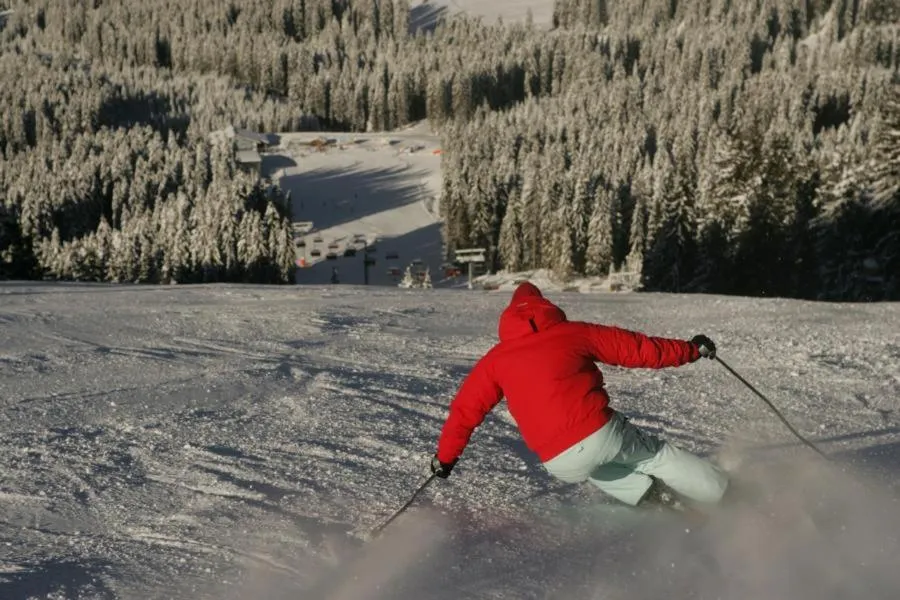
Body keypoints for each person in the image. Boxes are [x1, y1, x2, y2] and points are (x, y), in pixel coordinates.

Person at [430, 282, 728, 510]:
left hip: (558, 462)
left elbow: (464, 412)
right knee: (653, 455)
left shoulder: (495, 360)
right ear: (544, 306)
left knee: (593, 466)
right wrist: (691, 350)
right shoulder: (573, 333)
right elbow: (637, 349)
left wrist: (444, 459)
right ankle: (726, 493)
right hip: (599, 432)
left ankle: (655, 501)